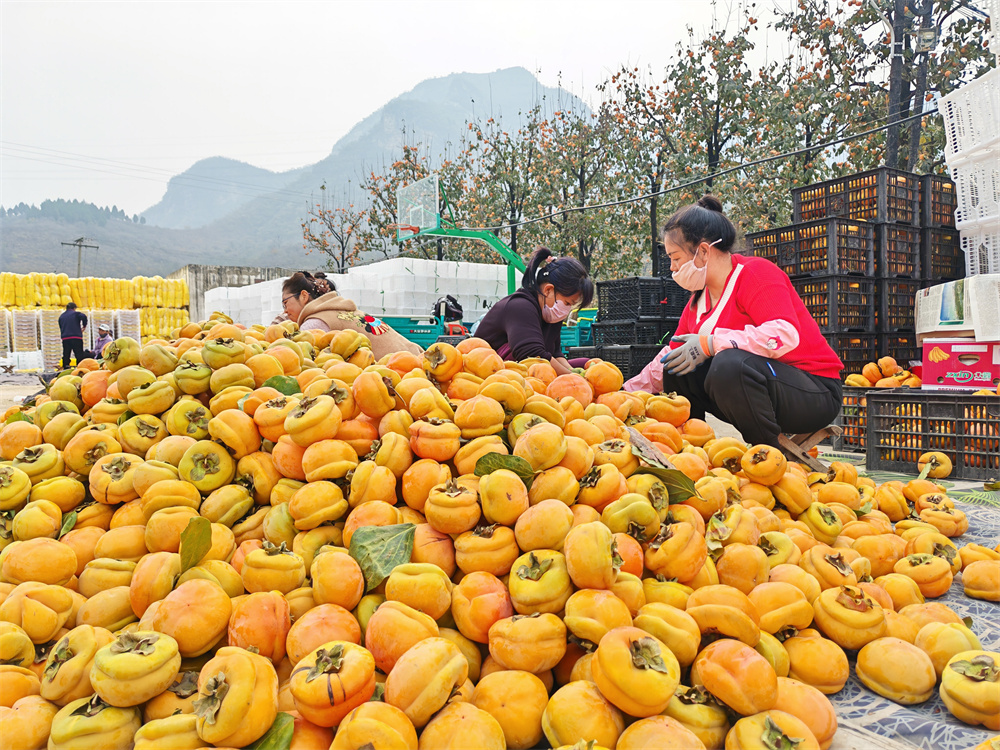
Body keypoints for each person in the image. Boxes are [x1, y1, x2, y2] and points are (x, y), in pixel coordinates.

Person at [625, 195, 843, 448]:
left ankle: (767, 455)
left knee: (729, 364)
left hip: (813, 392)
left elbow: (783, 334)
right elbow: (671, 353)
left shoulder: (756, 273)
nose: (673, 268)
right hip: (764, 392)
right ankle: (691, 448)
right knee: (676, 366)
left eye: (675, 258)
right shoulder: (698, 302)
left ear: (704, 251)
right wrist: (626, 394)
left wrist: (711, 344)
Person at [476, 247, 595, 375]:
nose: (567, 309)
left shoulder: (551, 313)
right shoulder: (520, 306)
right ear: (548, 290)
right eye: (567, 303)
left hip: (525, 371)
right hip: (486, 373)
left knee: (588, 363)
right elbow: (531, 354)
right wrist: (572, 379)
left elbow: (555, 353)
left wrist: (573, 372)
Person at [281, 271, 423, 358]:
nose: (284, 311)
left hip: (401, 375)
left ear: (304, 296)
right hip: (418, 358)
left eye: (285, 303)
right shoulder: (345, 311)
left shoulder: (315, 322)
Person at [58, 302, 88, 370]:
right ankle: (80, 367)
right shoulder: (76, 314)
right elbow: (83, 316)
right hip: (76, 337)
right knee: (79, 354)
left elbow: (61, 326)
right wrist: (84, 326)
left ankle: (66, 366)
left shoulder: (61, 316)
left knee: (66, 353)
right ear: (74, 308)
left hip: (65, 338)